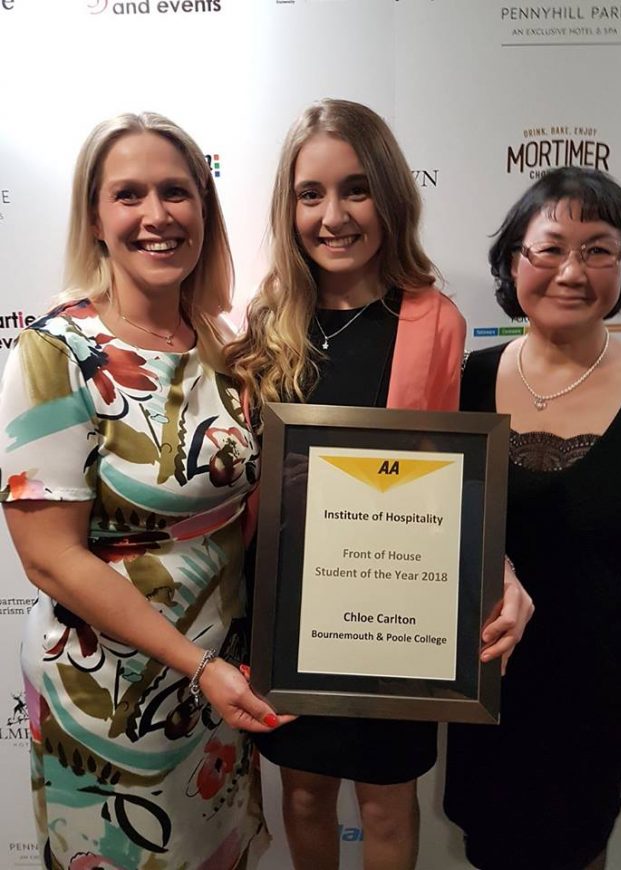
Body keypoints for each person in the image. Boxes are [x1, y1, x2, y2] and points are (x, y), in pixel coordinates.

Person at [225, 98, 534, 870]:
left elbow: (453, 477)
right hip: (291, 615)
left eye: (356, 189)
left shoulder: (434, 320)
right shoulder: (265, 324)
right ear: (288, 206)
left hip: (396, 612)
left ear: (391, 195)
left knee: (388, 804)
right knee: (300, 794)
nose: (333, 215)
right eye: (311, 194)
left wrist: (496, 568)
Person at [0, 112, 292, 869]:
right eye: (128, 195)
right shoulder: (54, 350)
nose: (156, 216)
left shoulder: (225, 349)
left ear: (204, 205)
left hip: (221, 688)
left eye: (175, 192)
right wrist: (195, 665)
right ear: (95, 218)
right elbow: (50, 560)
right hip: (108, 697)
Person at [444, 166, 621, 870]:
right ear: (514, 260)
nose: (571, 271)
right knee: (488, 844)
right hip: (486, 669)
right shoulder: (461, 383)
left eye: (598, 249)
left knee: (580, 845)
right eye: (549, 248)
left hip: (607, 674)